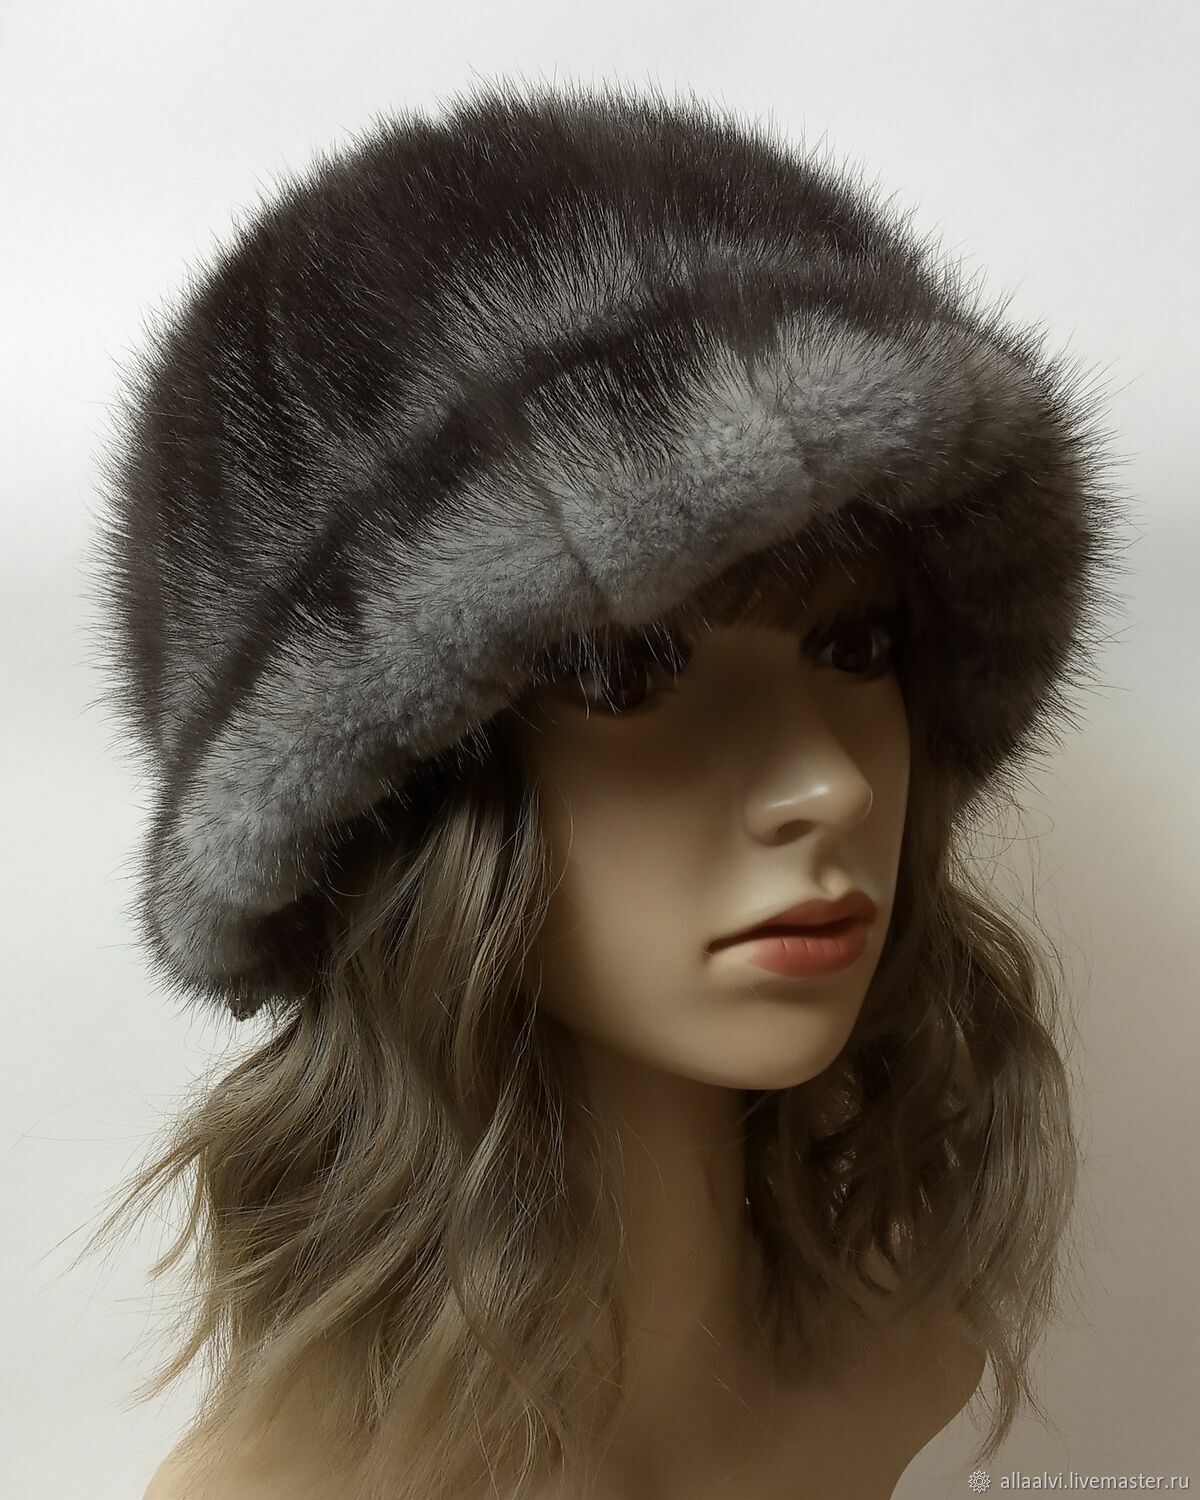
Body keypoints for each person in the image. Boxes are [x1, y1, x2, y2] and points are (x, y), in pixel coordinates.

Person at [81, 77, 1130, 1500]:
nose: (827, 783)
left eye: (856, 648)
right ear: (391, 805)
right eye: (631, 674)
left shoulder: (906, 1345)